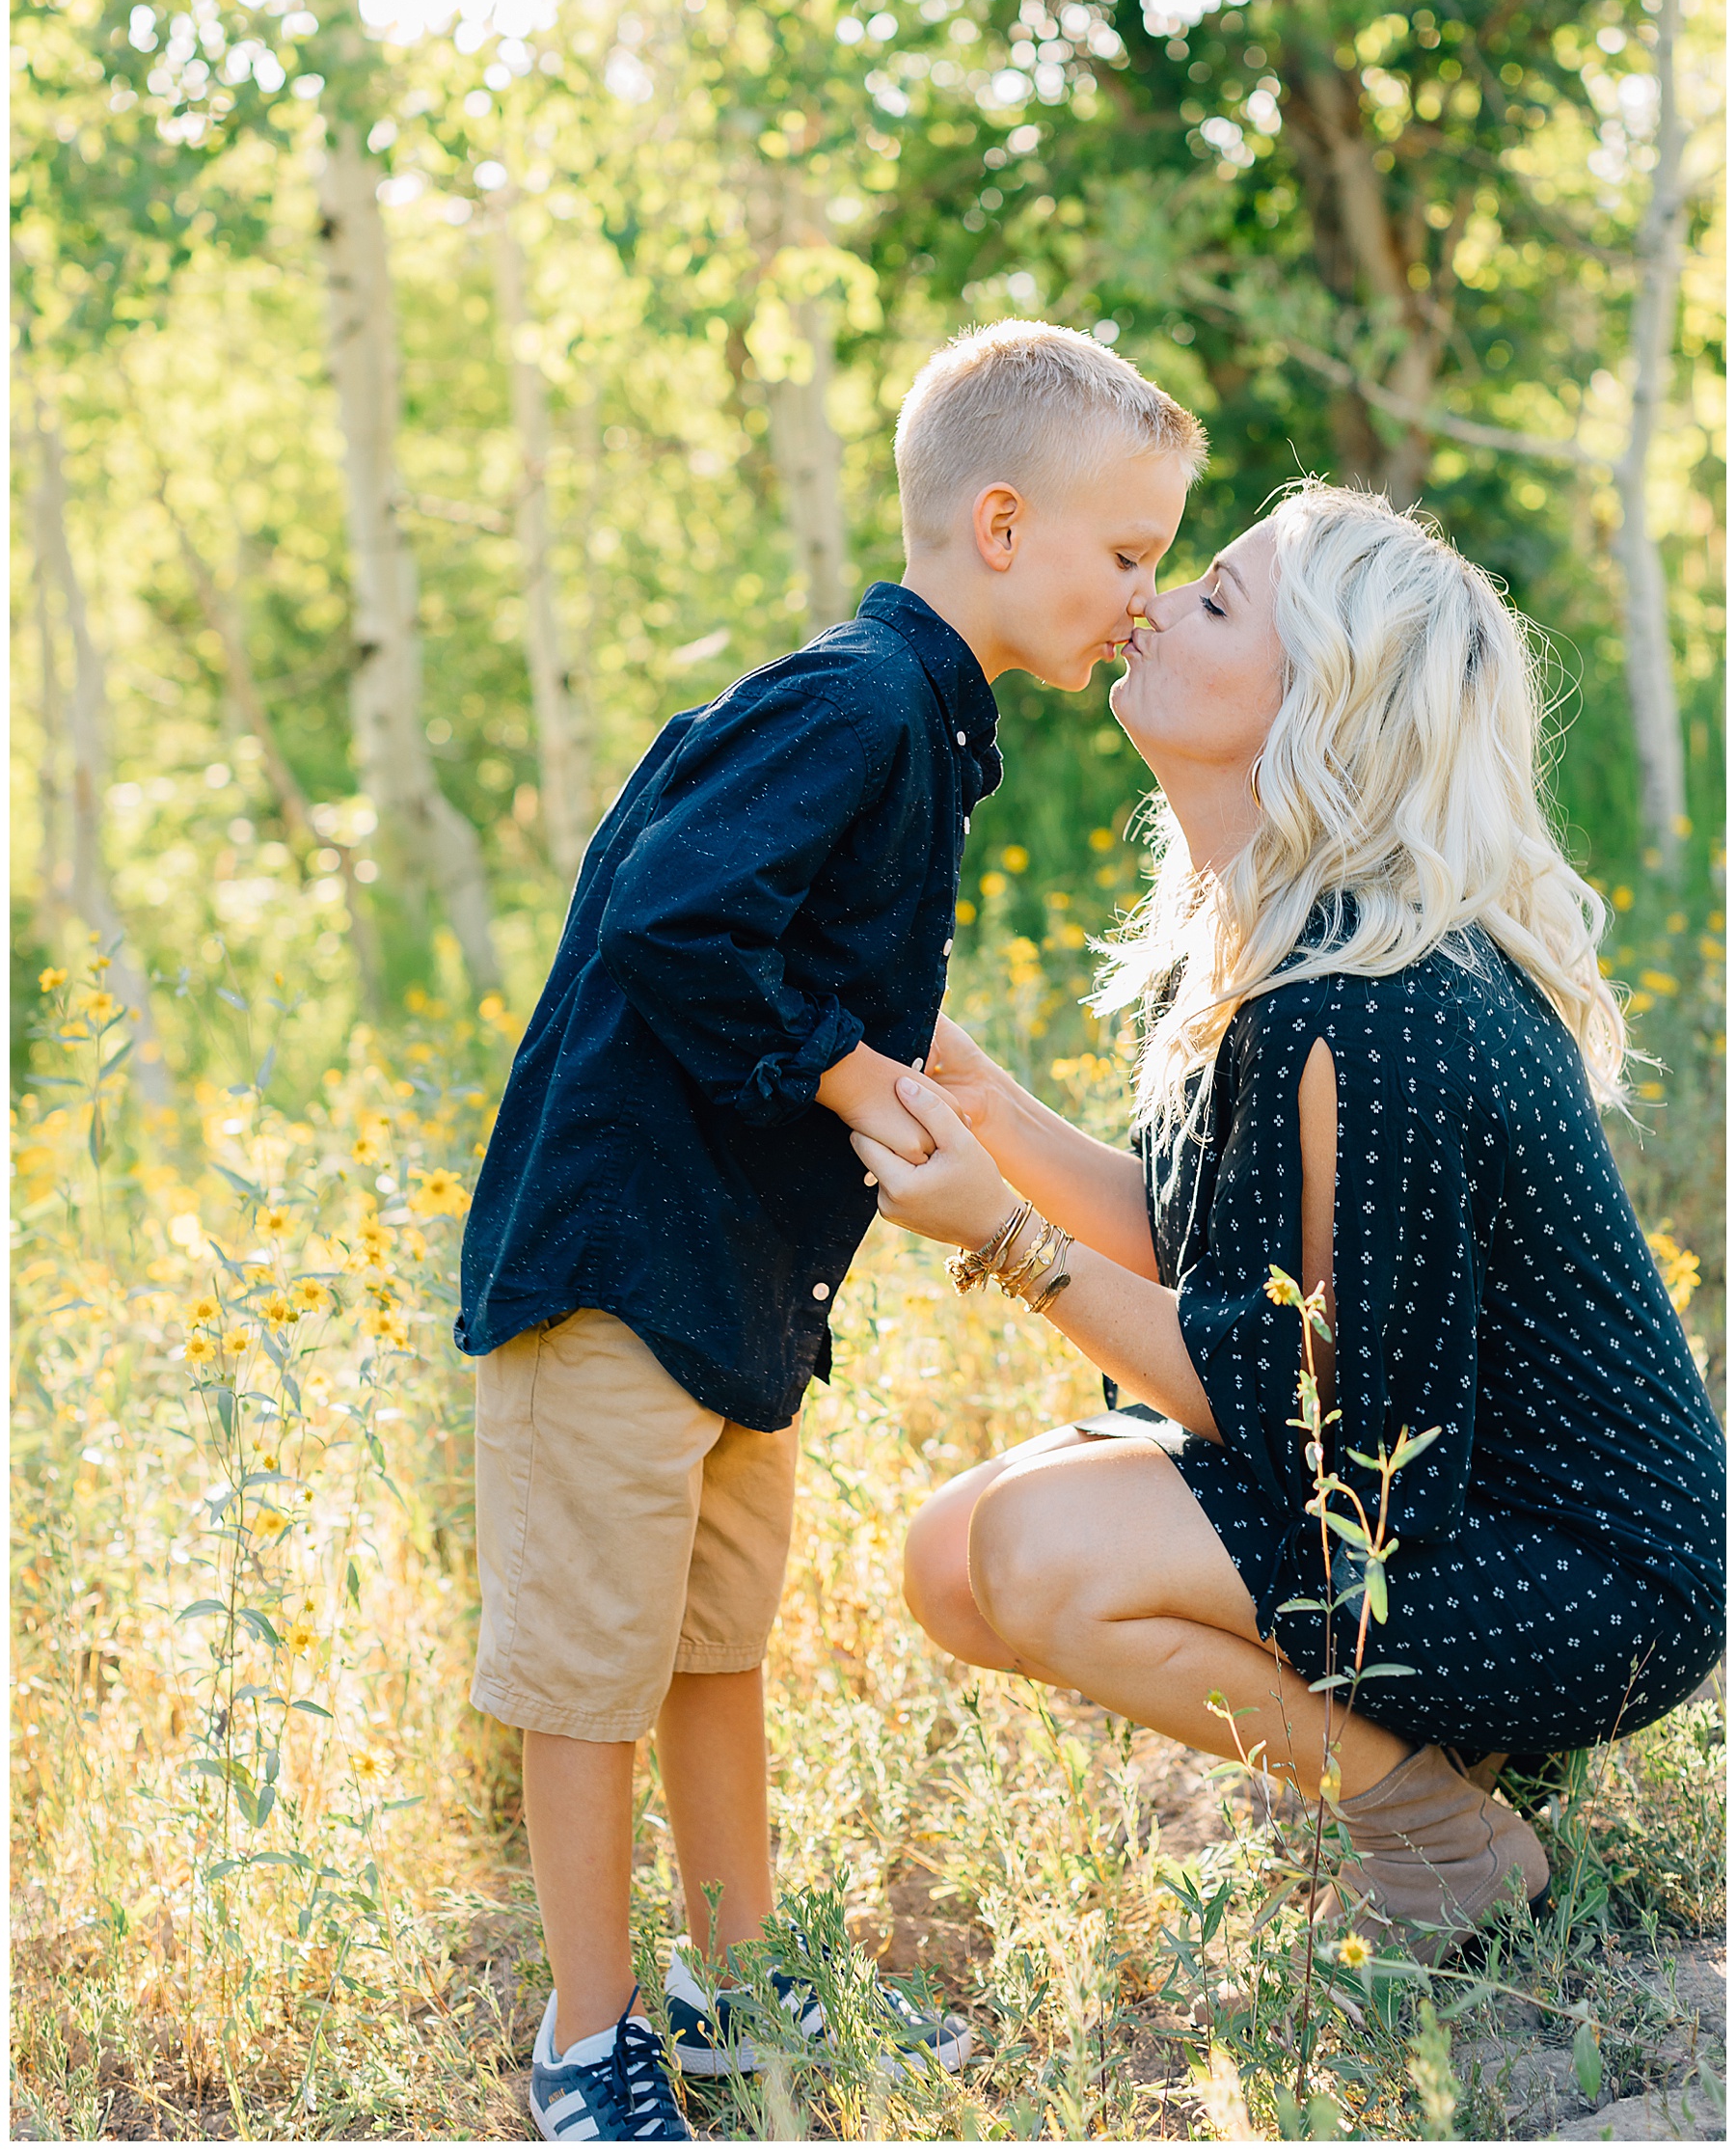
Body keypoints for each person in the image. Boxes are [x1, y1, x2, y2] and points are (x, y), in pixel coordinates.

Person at [457, 320, 1206, 2138]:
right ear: (1004, 527)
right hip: (615, 1260)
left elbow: (772, 930)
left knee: (717, 1642)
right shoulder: (861, 697)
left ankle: (736, 1989)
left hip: (731, 1281)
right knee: (589, 1669)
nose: (1145, 601)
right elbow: (661, 912)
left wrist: (878, 1062)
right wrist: (843, 1069)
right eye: (1131, 557)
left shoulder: (931, 730)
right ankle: (586, 2036)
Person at [860, 483, 1725, 1960]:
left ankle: (1438, 1826)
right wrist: (991, 1107)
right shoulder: (1280, 941)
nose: (1154, 601)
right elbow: (1226, 1262)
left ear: (1312, 702)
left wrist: (1006, 1237)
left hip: (1580, 1578)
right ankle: (1447, 1765)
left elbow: (1315, 1427)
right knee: (956, 1558)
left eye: (1213, 600)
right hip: (1432, 1487)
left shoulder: (1362, 1005)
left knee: (1036, 1556)